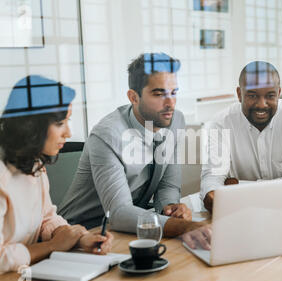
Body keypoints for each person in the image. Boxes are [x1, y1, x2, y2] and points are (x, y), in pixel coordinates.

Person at [0, 75, 114, 278]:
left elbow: (47, 219)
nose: (68, 133)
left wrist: (79, 238)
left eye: (68, 121)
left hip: (10, 277)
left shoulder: (34, 164)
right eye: (60, 123)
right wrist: (53, 246)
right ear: (31, 125)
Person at [58, 53, 210, 249]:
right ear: (133, 97)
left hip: (130, 229)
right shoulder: (108, 135)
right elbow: (119, 213)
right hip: (82, 236)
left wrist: (171, 210)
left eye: (174, 93)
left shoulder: (174, 120)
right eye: (159, 94)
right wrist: (182, 227)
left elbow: (168, 185)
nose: (170, 103)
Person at [201, 61, 282, 212]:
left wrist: (238, 187)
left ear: (279, 93)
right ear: (239, 94)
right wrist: (211, 193)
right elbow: (213, 176)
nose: (262, 105)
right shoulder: (220, 123)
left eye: (270, 95)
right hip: (238, 213)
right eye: (252, 95)